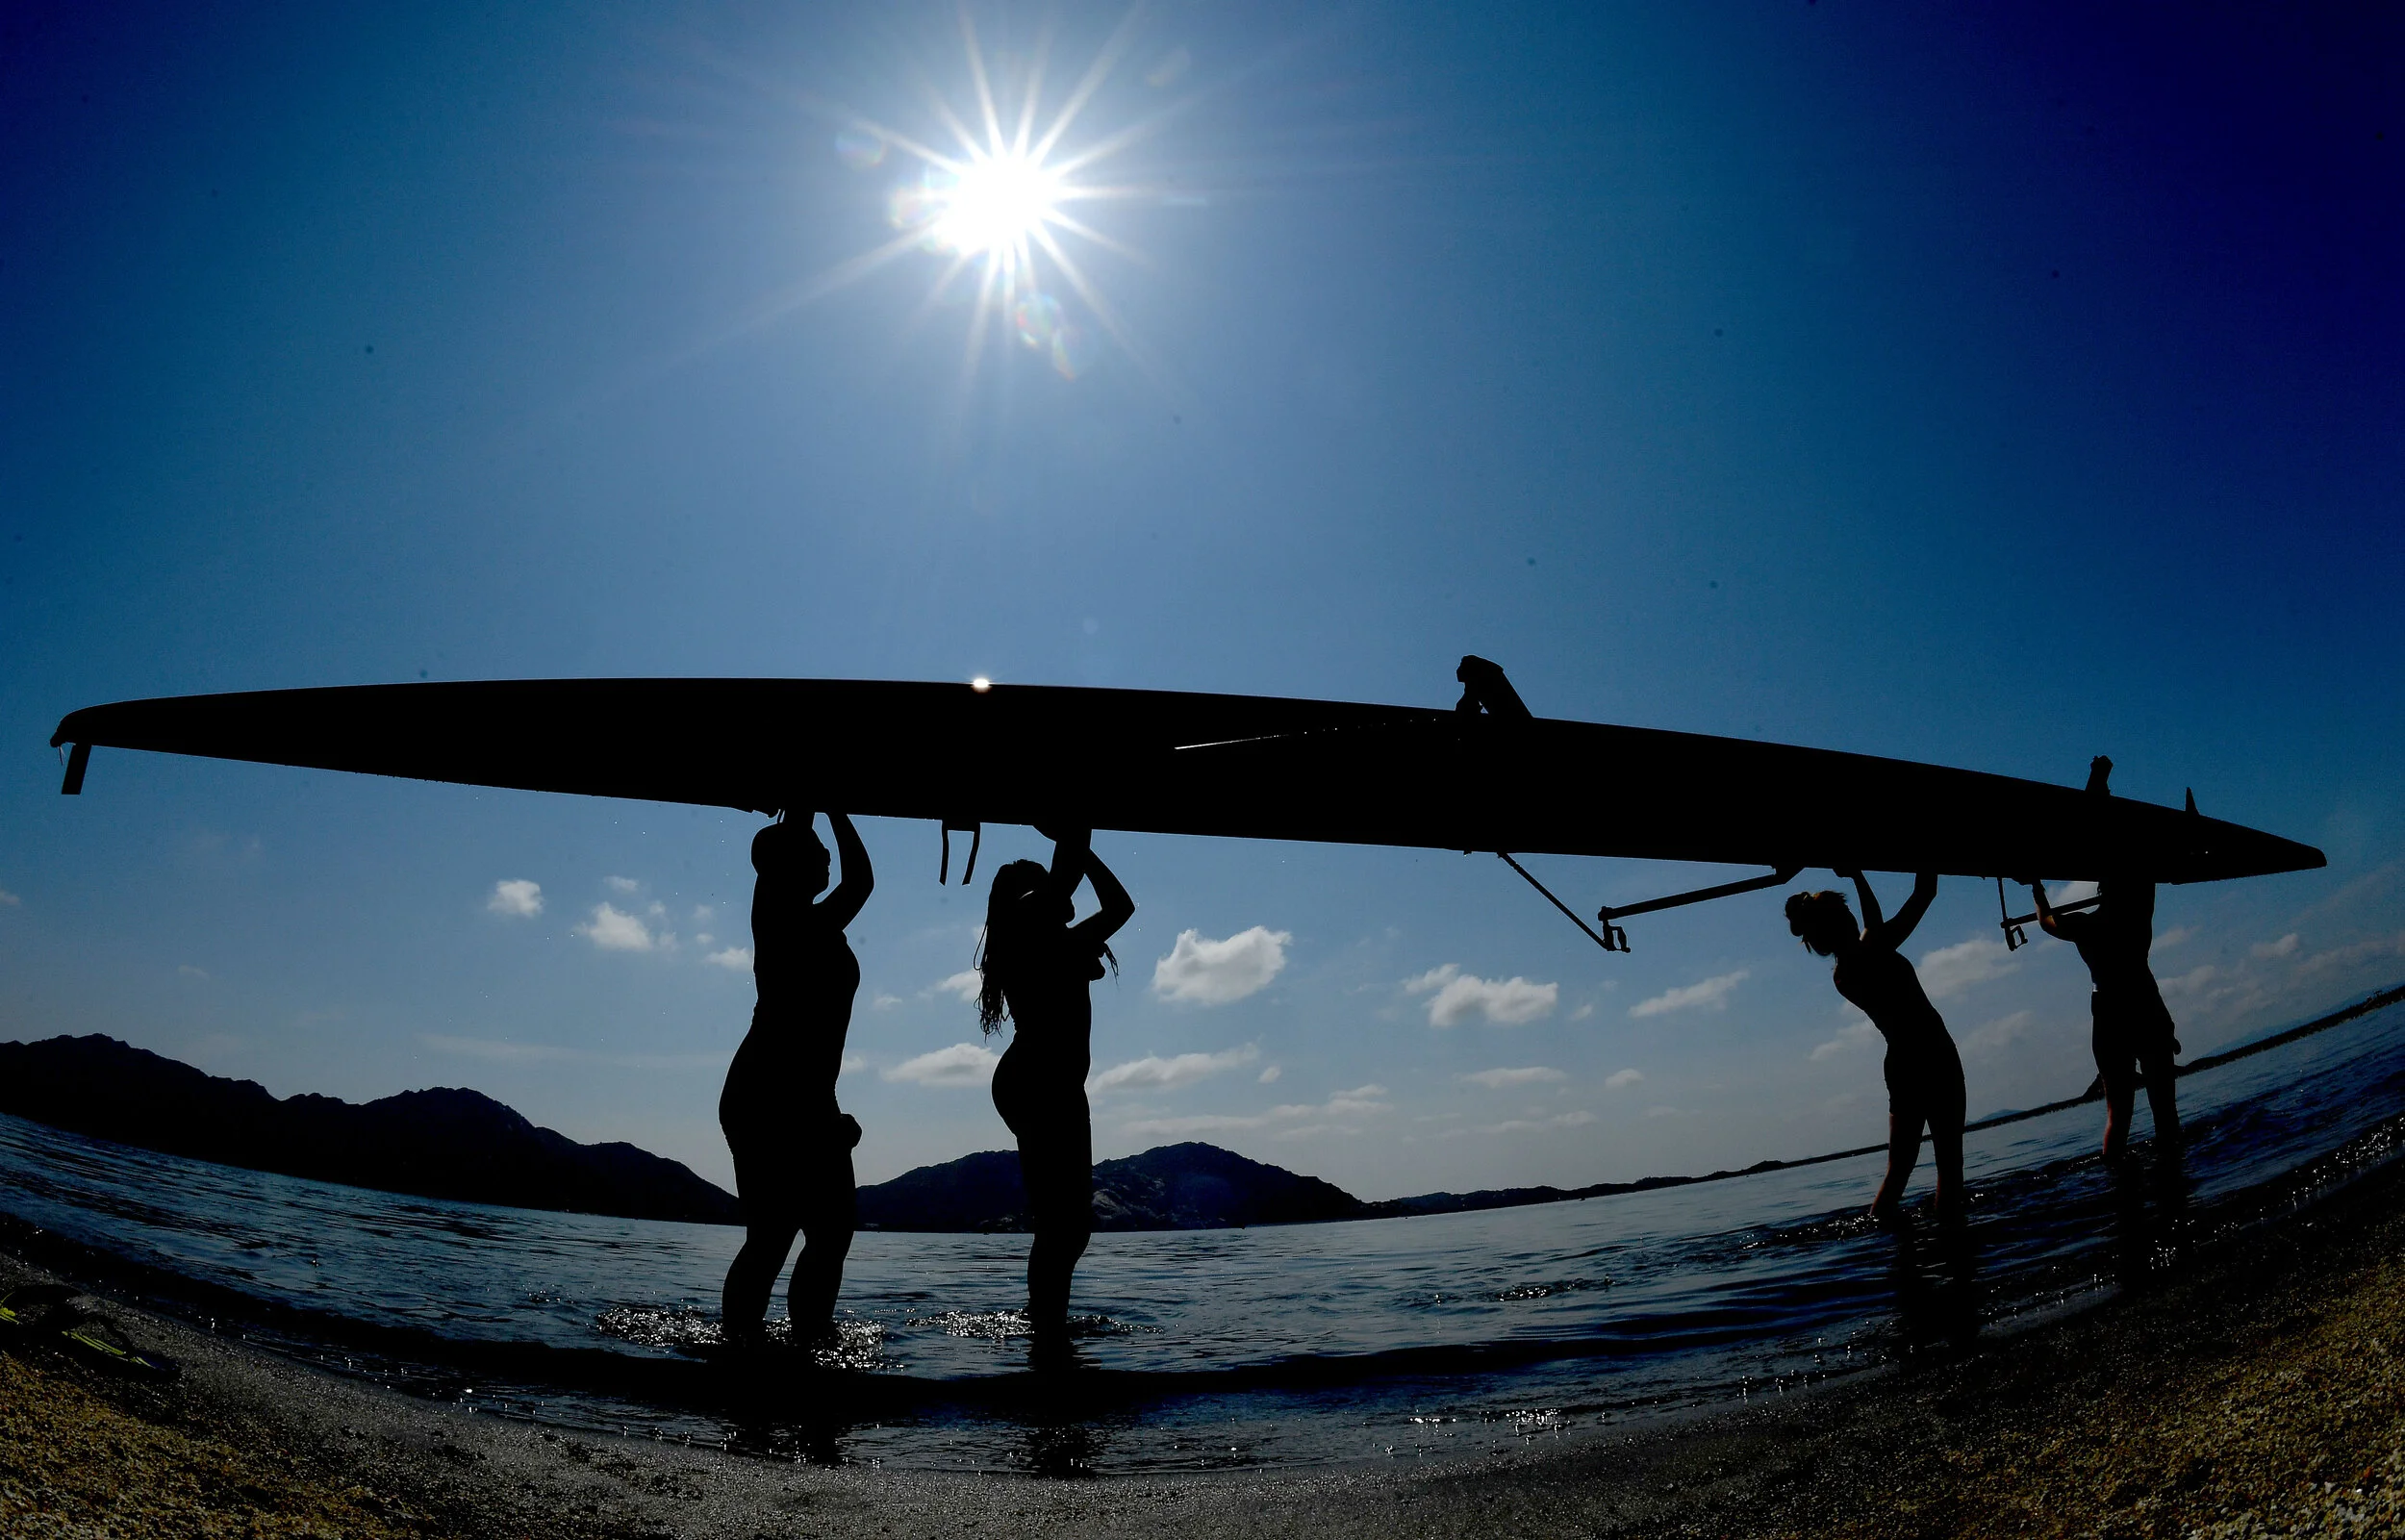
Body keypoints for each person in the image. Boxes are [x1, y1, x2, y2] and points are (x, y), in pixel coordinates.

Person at [718, 810, 872, 1349]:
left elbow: (852, 879)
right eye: (817, 851)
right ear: (792, 865)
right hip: (768, 1092)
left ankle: (805, 1344)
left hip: (805, 1095)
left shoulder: (813, 920)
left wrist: (819, 806)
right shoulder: (780, 918)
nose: (827, 856)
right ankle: (744, 1352)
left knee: (829, 1232)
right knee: (776, 1234)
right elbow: (861, 881)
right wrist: (832, 807)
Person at [975, 827, 1133, 1349]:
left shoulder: (1051, 940)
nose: (1054, 897)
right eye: (1039, 890)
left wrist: (1073, 843)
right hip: (1040, 1079)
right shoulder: (1033, 934)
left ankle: (1046, 1323)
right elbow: (1113, 903)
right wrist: (1073, 841)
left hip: (1044, 1079)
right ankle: (1046, 1328)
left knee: (1066, 1225)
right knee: (1063, 1225)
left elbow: (1115, 905)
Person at [1785, 871, 1966, 1226]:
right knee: (1948, 1161)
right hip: (1932, 1055)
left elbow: (1916, 897)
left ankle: (1886, 1240)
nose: (1855, 919)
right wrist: (1857, 874)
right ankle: (1950, 1244)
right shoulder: (1866, 957)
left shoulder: (1851, 966)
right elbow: (1911, 900)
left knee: (1900, 1169)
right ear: (1838, 926)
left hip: (1902, 1062)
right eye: (1846, 916)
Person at [2026, 876, 2182, 1161]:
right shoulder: (2138, 919)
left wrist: (2036, 887)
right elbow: (2148, 884)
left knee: (2118, 1116)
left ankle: (2116, 1184)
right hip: (2145, 1008)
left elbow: (2046, 920)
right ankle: (2174, 1178)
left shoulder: (2085, 926)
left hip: (2110, 1016)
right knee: (2165, 1110)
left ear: (2101, 892)